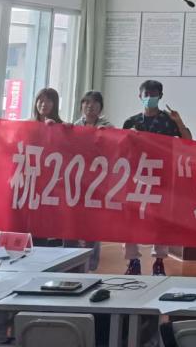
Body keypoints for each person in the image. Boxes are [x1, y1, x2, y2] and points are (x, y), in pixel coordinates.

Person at [121, 79, 192, 275]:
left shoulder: (169, 120)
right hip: (137, 176)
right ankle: (133, 260)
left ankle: (159, 261)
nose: (150, 98)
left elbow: (188, 141)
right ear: (140, 96)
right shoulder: (131, 122)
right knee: (130, 218)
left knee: (160, 219)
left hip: (162, 176)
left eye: (154, 94)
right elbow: (121, 148)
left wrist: (179, 121)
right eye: (146, 94)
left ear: (160, 96)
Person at [70, 90, 110, 271]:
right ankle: (72, 261)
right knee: (74, 220)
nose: (90, 106)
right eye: (86, 102)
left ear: (100, 107)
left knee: (93, 222)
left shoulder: (108, 127)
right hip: (76, 181)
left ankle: (91, 263)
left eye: (94, 103)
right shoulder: (74, 126)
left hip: (97, 182)